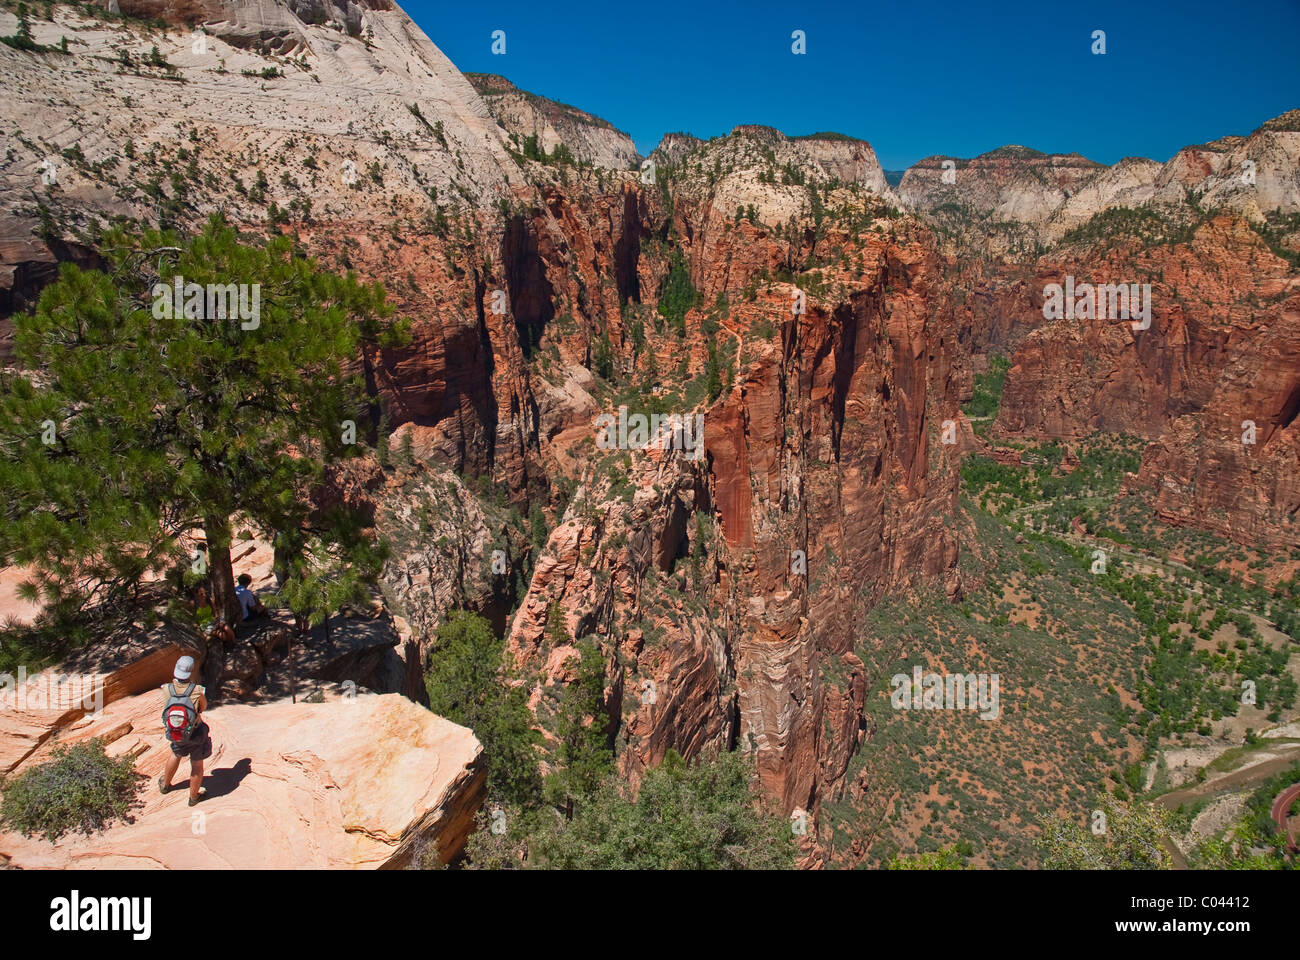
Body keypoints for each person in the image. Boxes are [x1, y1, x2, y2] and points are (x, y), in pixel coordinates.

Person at [158, 655, 211, 806]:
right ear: (191, 671)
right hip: (195, 732)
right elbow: (203, 707)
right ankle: (193, 797)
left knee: (176, 754)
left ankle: (165, 785)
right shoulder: (197, 690)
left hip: (175, 731)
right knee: (196, 763)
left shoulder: (166, 688)